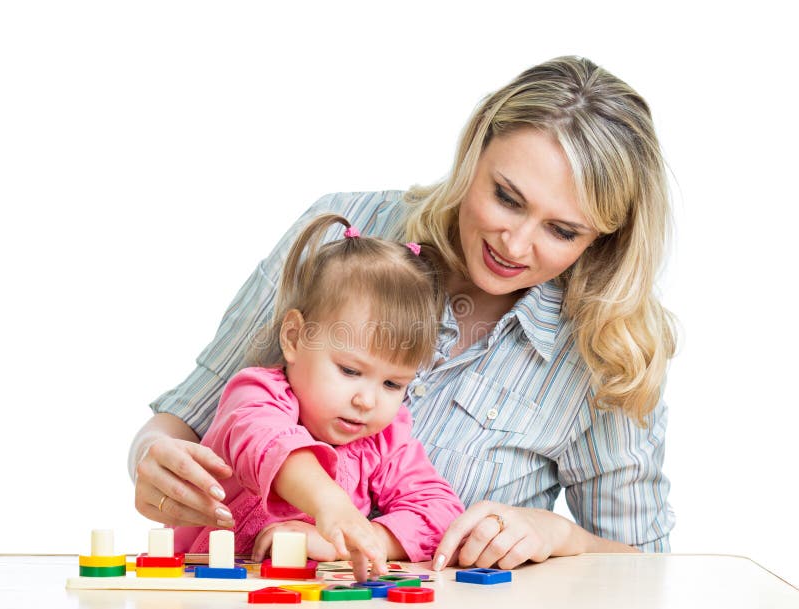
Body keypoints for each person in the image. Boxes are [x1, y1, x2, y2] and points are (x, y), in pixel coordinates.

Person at [130, 55, 677, 572]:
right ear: (474, 152)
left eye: (562, 231)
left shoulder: (608, 352)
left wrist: (560, 536)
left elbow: (650, 573)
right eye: (507, 197)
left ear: (603, 237)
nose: (516, 243)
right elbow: (202, 418)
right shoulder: (347, 228)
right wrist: (150, 456)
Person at [171, 214, 464, 581]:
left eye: (392, 384)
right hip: (201, 596)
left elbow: (439, 510)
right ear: (294, 337)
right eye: (350, 371)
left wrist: (359, 538)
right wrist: (332, 506)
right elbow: (271, 446)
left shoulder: (384, 439)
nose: (367, 401)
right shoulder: (256, 395)